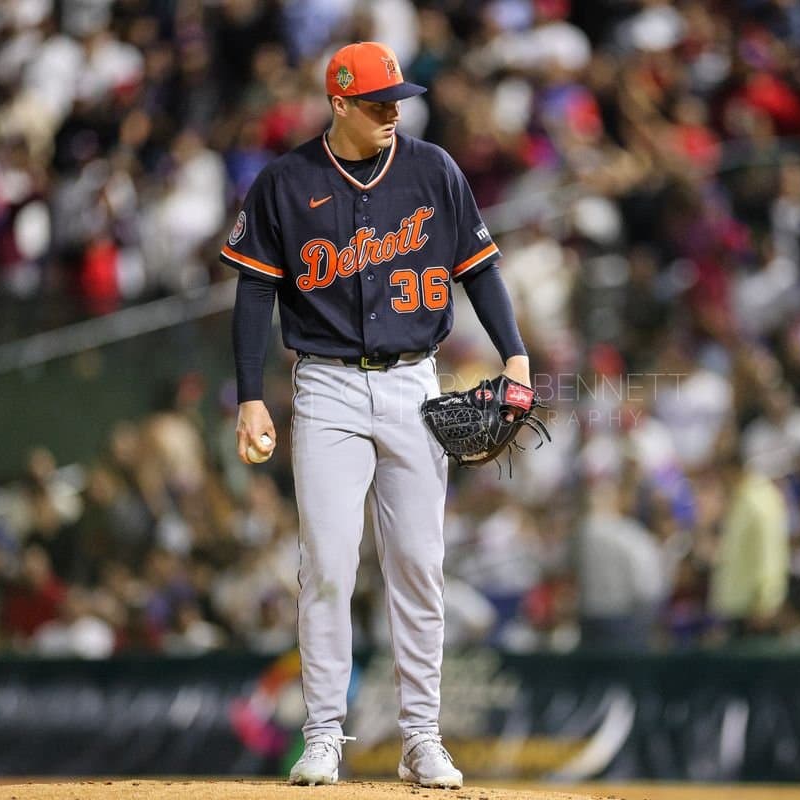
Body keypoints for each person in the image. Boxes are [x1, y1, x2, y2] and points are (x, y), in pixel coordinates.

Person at [220, 41, 531, 789]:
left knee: (420, 566)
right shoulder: (285, 183)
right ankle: (324, 734)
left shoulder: (433, 169)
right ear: (338, 102)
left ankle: (422, 737)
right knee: (326, 563)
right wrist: (250, 396)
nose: (394, 112)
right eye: (377, 102)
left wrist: (515, 355)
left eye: (398, 100)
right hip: (323, 386)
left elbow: (479, 269)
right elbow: (255, 295)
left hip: (414, 383)